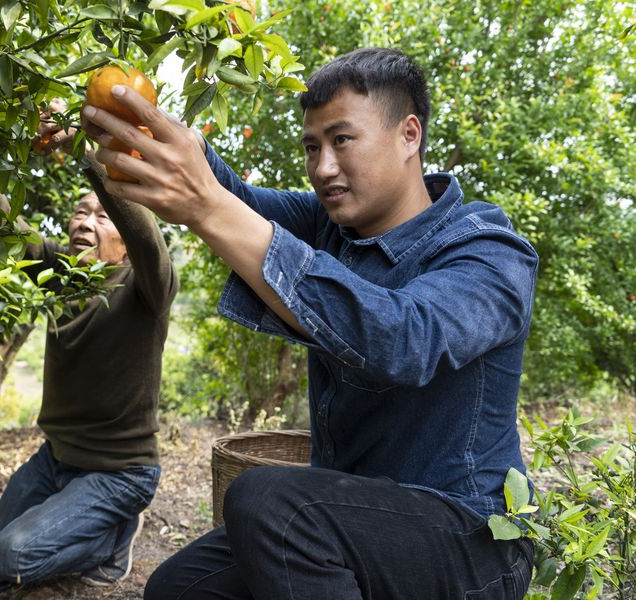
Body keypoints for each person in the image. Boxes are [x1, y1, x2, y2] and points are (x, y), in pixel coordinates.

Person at [82, 47, 538, 599]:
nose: (323, 167)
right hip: (345, 525)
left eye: (342, 140)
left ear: (409, 134)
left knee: (268, 501)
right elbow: (233, 199)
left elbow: (406, 337)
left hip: (473, 540)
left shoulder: (489, 251)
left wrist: (207, 209)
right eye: (311, 146)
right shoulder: (330, 228)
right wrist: (137, 124)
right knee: (181, 587)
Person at [0, 109, 179, 590]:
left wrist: (86, 149)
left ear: (124, 239)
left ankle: (110, 541)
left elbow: (144, 230)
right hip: (56, 459)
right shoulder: (60, 276)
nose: (87, 220)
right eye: (81, 212)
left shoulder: (148, 286)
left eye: (102, 215)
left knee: (12, 555)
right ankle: (79, 524)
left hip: (120, 473)